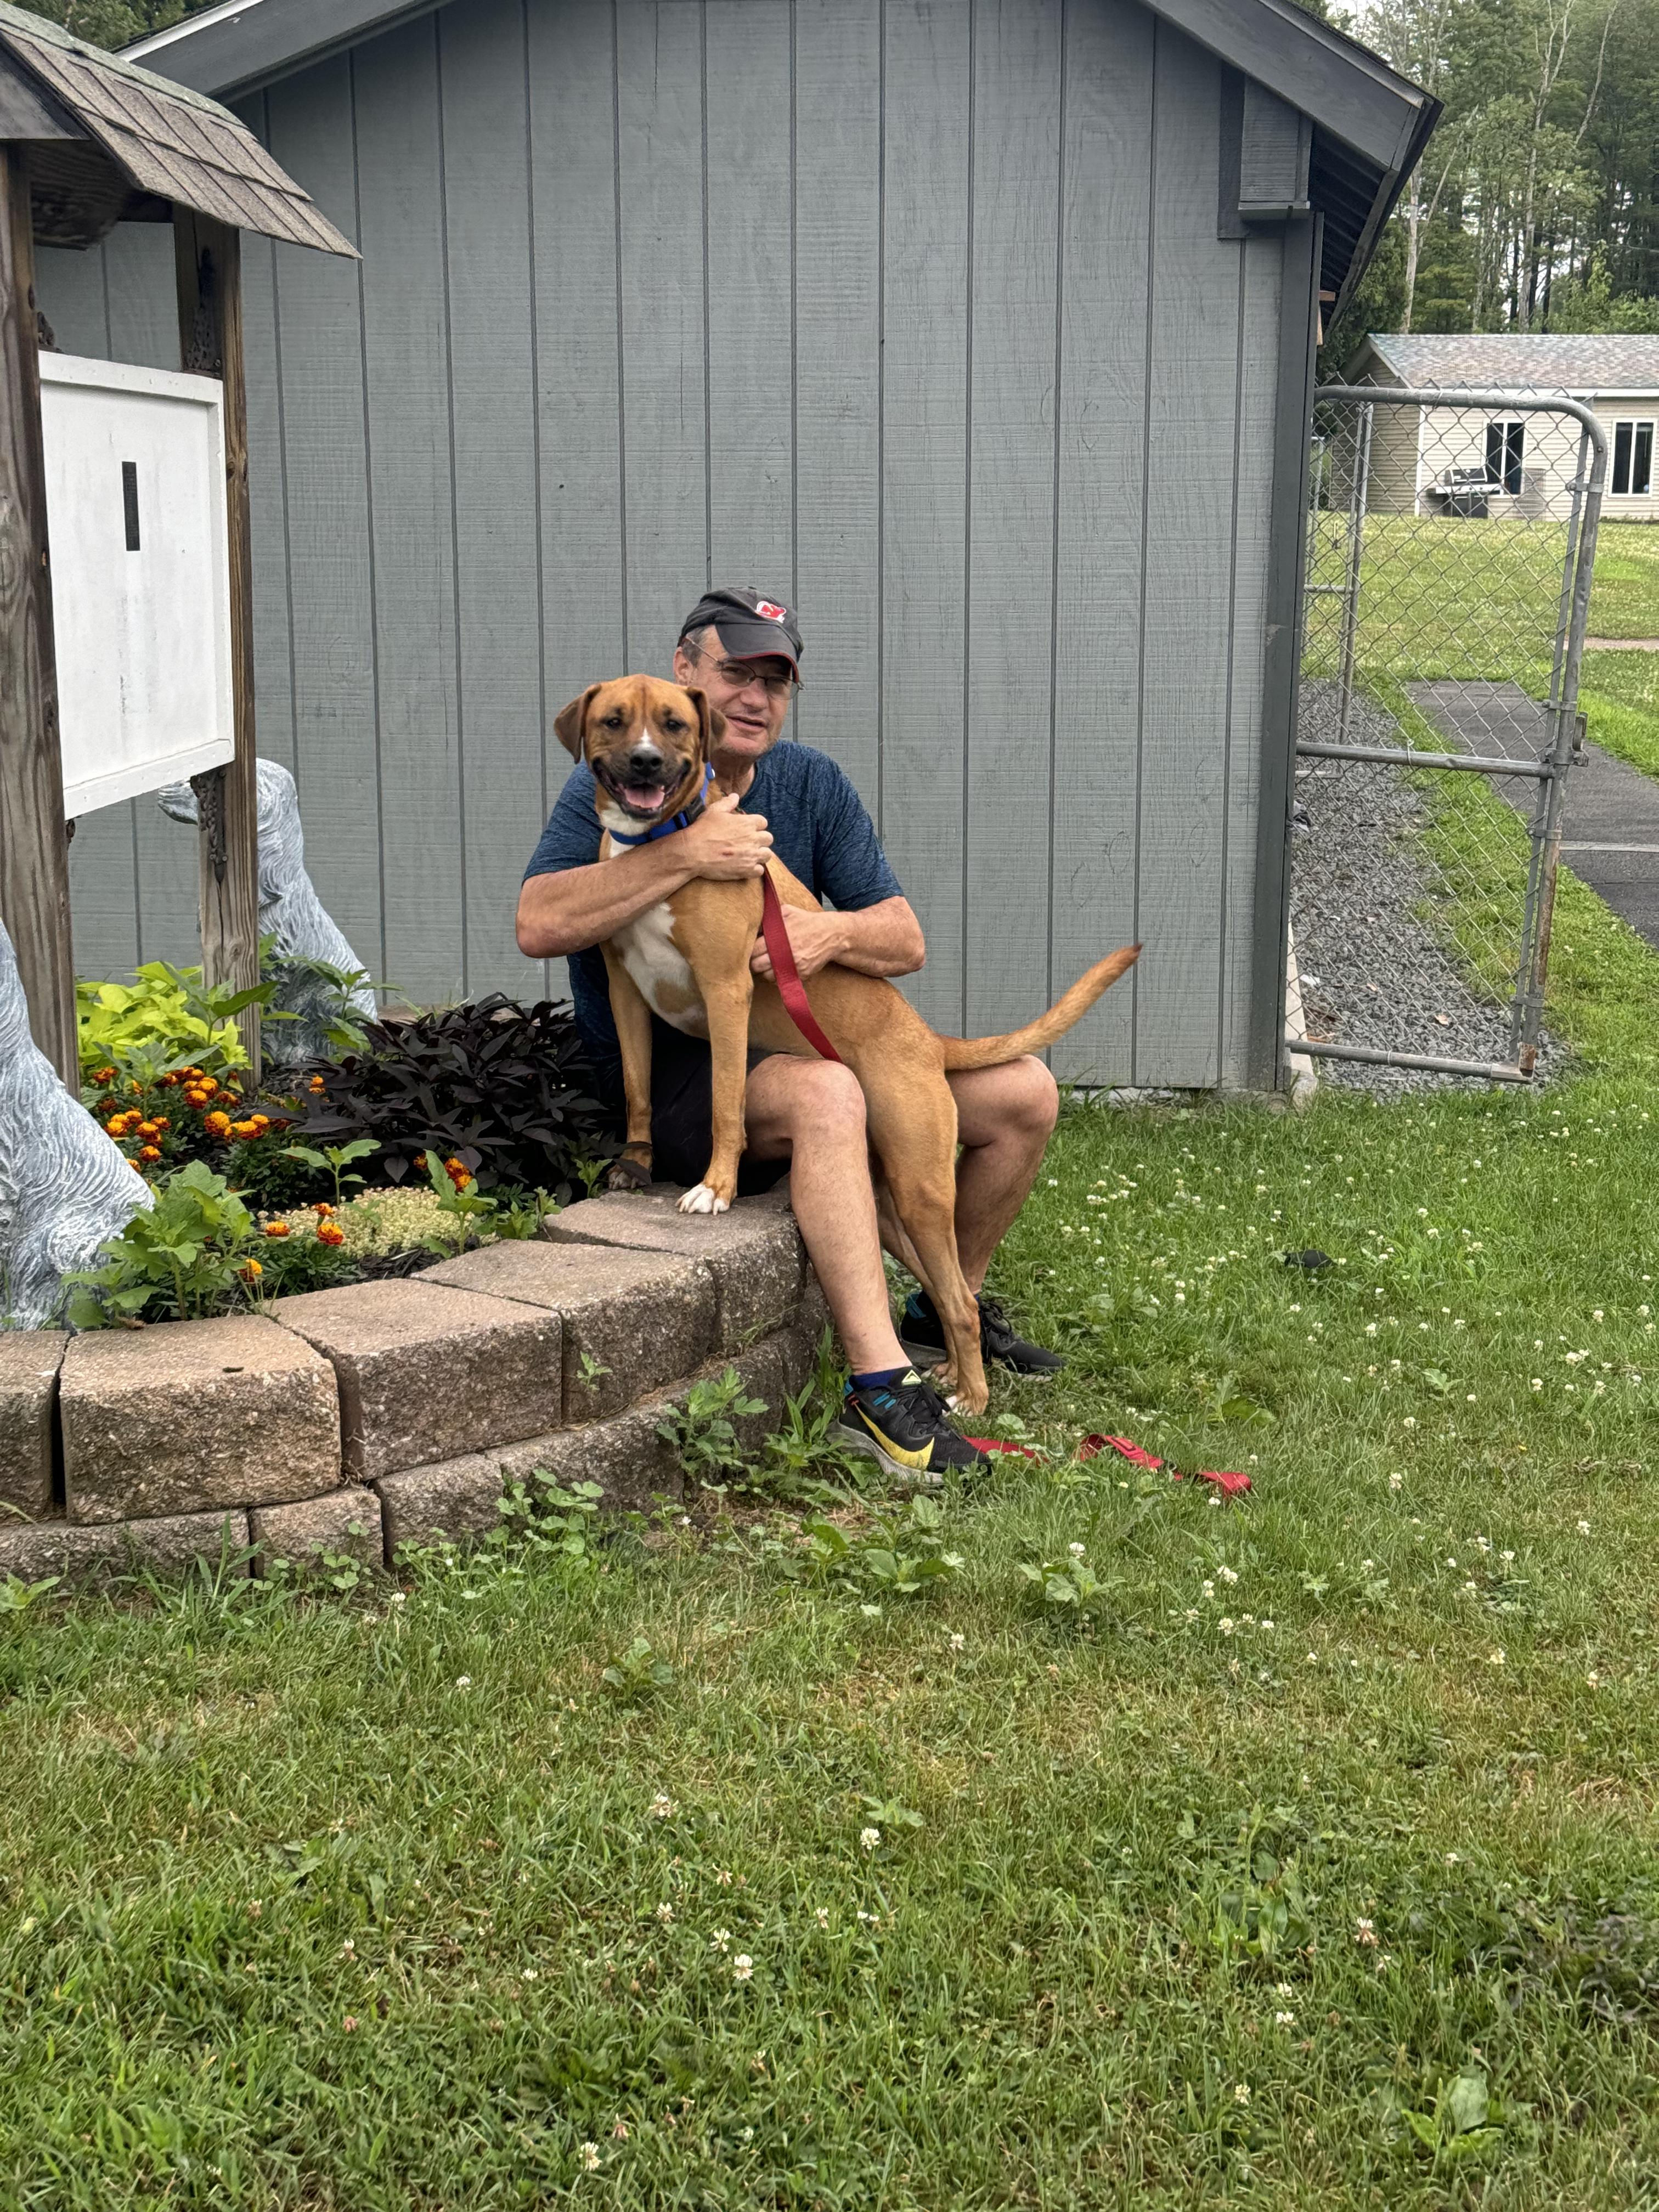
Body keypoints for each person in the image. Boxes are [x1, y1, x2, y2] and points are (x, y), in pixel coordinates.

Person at [516, 586, 1065, 1477]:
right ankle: (878, 1384)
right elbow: (538, 924)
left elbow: (906, 938)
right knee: (830, 1091)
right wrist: (685, 853)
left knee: (1025, 1092)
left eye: (775, 680)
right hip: (701, 1075)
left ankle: (944, 1303)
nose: (755, 696)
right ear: (687, 672)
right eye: (736, 670)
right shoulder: (614, 782)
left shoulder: (811, 781)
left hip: (816, 1036)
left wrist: (830, 932)